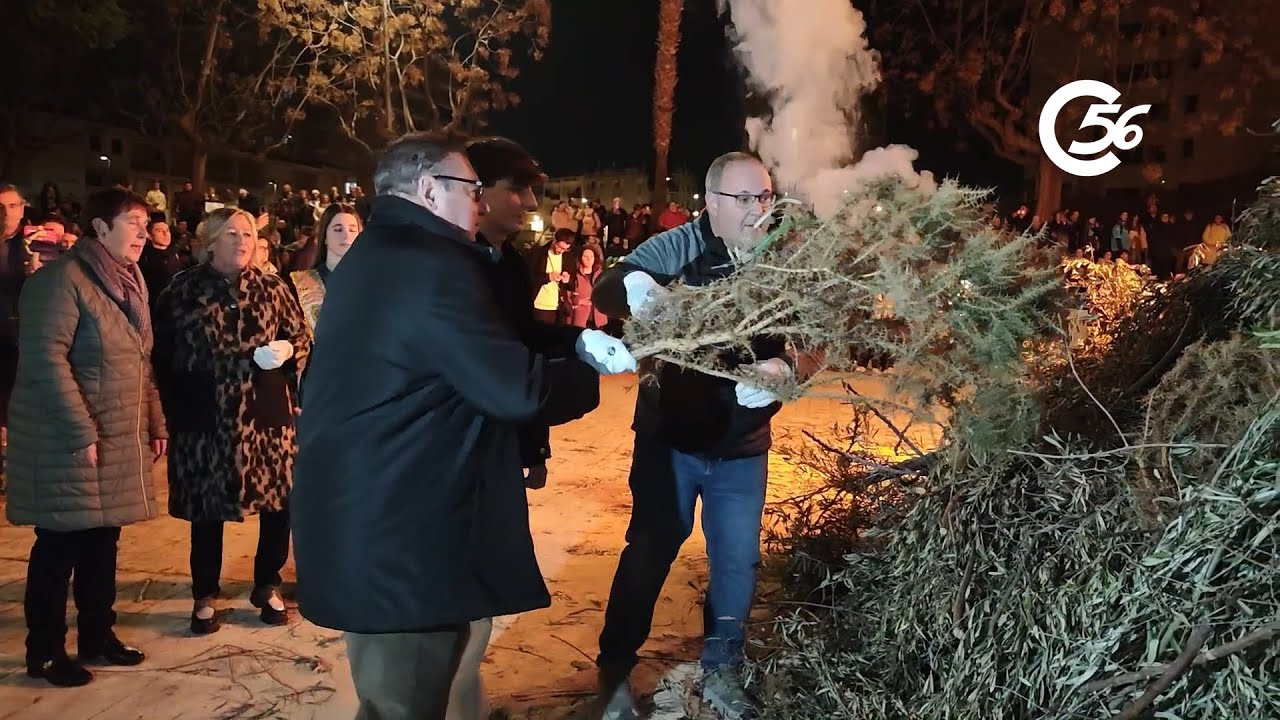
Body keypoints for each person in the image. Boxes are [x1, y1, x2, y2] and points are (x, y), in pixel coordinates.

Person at [291, 132, 636, 720]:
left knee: (407, 691)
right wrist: (591, 371)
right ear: (428, 189)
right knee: (403, 699)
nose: (478, 202)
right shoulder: (431, 265)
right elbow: (514, 390)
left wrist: (574, 344)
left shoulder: (384, 253)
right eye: (470, 189)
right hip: (400, 529)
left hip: (376, 511)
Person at [590, 152, 821, 720]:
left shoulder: (785, 257)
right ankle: (615, 669)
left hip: (742, 446)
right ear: (713, 203)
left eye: (765, 197)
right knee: (649, 550)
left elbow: (819, 334)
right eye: (744, 199)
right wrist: (640, 289)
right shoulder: (681, 246)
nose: (758, 210)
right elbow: (607, 288)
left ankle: (723, 669)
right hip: (670, 438)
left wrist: (788, 369)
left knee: (738, 563)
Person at [453, 136, 604, 720]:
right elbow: (503, 368)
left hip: (495, 449)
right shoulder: (457, 269)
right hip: (461, 454)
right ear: (477, 194)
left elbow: (528, 337)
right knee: (460, 593)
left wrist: (583, 341)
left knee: (482, 591)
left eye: (530, 191)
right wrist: (579, 376)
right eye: (513, 189)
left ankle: (468, 698)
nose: (526, 202)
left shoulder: (506, 262)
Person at [6, 188, 167, 686]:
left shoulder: (127, 282)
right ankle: (46, 651)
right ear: (100, 228)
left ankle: (98, 635)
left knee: (103, 540)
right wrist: (80, 430)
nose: (143, 233)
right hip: (70, 438)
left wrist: (156, 421)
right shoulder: (61, 281)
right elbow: (45, 360)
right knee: (60, 545)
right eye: (132, 222)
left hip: (114, 433)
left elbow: (139, 362)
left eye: (145, 224)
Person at [152, 207, 311, 635]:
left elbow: (300, 337)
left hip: (265, 411)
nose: (242, 241)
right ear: (209, 242)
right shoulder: (182, 291)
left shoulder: (272, 287)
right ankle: (205, 593)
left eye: (248, 233)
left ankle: (267, 583)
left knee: (278, 503)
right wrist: (171, 409)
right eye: (232, 233)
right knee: (208, 507)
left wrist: (288, 352)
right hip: (208, 412)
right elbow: (161, 356)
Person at [288, 203, 362, 330]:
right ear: (325, 237)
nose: (346, 236)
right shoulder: (302, 283)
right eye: (338, 229)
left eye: (352, 230)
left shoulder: (373, 281)